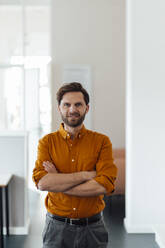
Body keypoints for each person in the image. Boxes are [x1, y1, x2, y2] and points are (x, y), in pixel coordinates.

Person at [32, 82, 117, 248]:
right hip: (56, 229)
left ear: (87, 108)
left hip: (93, 228)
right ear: (59, 108)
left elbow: (104, 185)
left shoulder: (101, 142)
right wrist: (86, 175)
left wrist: (57, 180)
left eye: (78, 104)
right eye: (67, 104)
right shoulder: (47, 142)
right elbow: (42, 183)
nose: (72, 109)